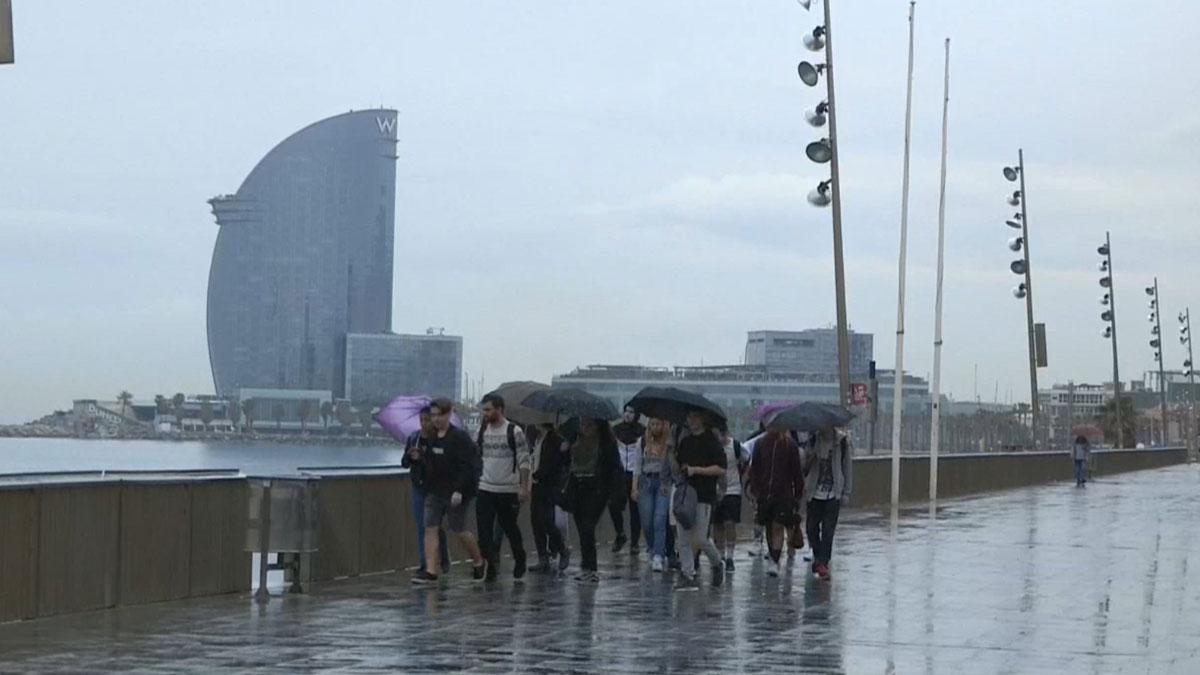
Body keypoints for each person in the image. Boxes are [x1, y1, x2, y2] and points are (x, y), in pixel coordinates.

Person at [411, 397, 487, 585]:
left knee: (458, 529)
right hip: (434, 490)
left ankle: (478, 561)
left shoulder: (459, 438)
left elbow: (469, 466)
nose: (436, 419)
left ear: (449, 414)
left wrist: (460, 490)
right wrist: (418, 457)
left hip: (456, 492)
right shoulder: (431, 437)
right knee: (430, 527)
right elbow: (430, 463)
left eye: (440, 415)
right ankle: (430, 570)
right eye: (433, 415)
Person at [475, 393, 531, 582]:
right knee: (484, 532)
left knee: (510, 528)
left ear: (500, 409)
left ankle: (520, 558)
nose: (485, 413)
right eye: (484, 409)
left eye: (488, 409)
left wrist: (523, 487)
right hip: (485, 487)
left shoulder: (514, 432)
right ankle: (491, 565)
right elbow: (476, 455)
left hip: (507, 490)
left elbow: (524, 461)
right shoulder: (482, 431)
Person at [670, 411, 727, 591]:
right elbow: (678, 468)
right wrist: (670, 451)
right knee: (683, 538)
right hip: (686, 494)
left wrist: (697, 470)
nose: (691, 420)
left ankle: (717, 563)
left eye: (694, 416)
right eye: (689, 417)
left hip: (704, 495)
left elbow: (721, 469)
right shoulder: (685, 442)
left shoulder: (712, 442)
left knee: (701, 539)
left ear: (703, 419)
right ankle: (688, 574)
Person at [564, 416, 621, 583]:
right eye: (583, 424)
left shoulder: (606, 443)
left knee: (588, 526)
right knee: (581, 527)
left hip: (597, 489)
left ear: (598, 426)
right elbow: (566, 464)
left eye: (590, 424)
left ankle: (592, 568)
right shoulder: (574, 440)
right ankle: (585, 566)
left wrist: (615, 493)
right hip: (577, 487)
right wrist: (565, 449)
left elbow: (614, 468)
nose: (586, 427)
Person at [747, 427, 804, 577]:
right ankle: (773, 552)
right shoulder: (760, 444)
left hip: (784, 495)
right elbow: (755, 469)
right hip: (765, 495)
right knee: (769, 527)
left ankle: (775, 560)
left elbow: (797, 472)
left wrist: (798, 494)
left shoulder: (790, 446)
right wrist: (755, 489)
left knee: (777, 526)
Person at [400, 405, 449, 576]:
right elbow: (404, 463)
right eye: (421, 420)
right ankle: (425, 563)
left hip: (435, 488)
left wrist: (423, 458)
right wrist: (410, 457)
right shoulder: (414, 438)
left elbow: (440, 467)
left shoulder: (439, 440)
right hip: (418, 487)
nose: (423, 424)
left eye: (427, 420)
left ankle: (439, 559)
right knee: (422, 526)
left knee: (432, 526)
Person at [802, 427, 852, 582]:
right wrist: (812, 455)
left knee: (828, 530)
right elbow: (804, 468)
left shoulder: (842, 442)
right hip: (814, 493)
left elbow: (847, 468)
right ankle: (818, 557)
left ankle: (823, 563)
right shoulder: (812, 440)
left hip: (833, 494)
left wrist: (846, 492)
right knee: (811, 528)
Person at [630, 417, 672, 572]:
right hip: (646, 482)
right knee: (647, 520)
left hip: (663, 482)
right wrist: (634, 488)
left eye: (658, 423)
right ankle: (652, 547)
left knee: (659, 518)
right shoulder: (642, 442)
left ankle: (658, 555)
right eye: (653, 424)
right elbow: (637, 466)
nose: (656, 427)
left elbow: (671, 465)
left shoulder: (668, 443)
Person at [529, 422, 570, 572]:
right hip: (536, 485)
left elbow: (555, 464)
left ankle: (562, 549)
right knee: (535, 521)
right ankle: (543, 558)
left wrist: (539, 474)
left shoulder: (557, 441)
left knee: (546, 519)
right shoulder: (534, 437)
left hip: (549, 485)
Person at [610, 406, 645, 554]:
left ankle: (635, 542)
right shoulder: (616, 429)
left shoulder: (642, 430)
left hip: (635, 473)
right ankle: (620, 533)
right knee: (613, 504)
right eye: (626, 411)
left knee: (634, 509)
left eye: (632, 412)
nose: (628, 414)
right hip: (619, 473)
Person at [713, 426, 748, 572]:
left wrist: (741, 474)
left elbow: (747, 459)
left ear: (725, 434)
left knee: (730, 523)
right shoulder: (713, 448)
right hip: (715, 491)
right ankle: (719, 556)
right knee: (717, 524)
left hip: (733, 490)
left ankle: (730, 557)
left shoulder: (736, 446)